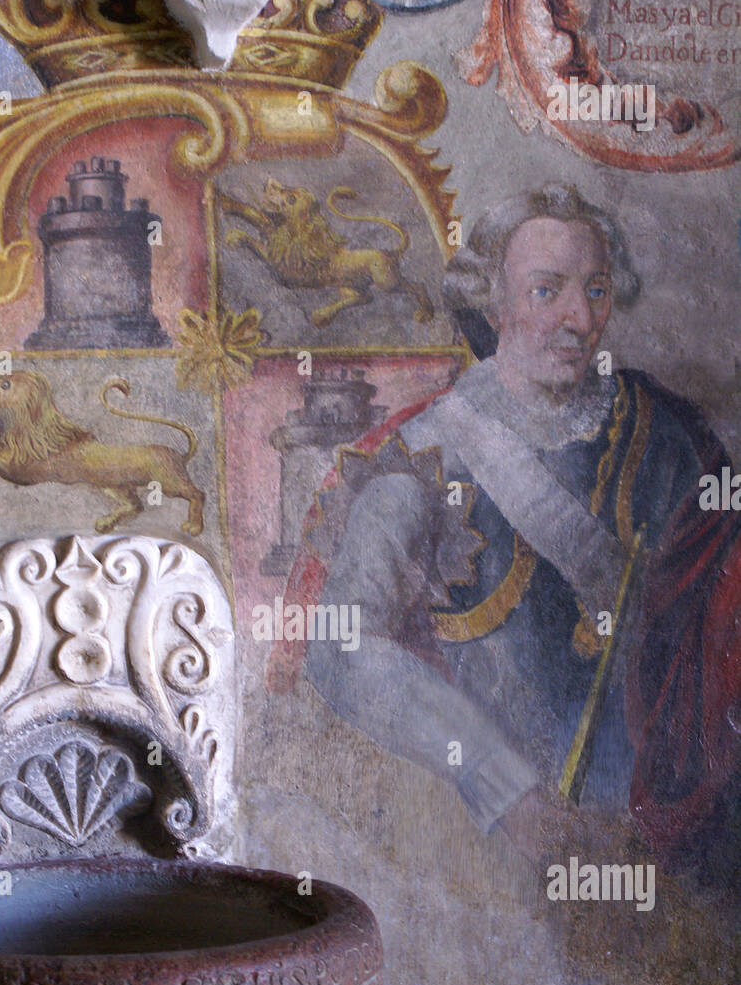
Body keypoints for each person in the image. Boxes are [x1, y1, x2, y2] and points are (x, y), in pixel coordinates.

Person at [299, 182, 733, 868]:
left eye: (595, 290)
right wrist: (503, 789)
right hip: (516, 844)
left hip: (673, 829)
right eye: (546, 290)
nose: (577, 319)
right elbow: (340, 644)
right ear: (492, 302)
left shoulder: (668, 433)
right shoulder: (422, 461)